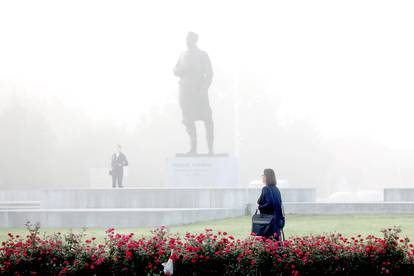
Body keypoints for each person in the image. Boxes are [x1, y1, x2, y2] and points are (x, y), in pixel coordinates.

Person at [173, 31, 214, 154]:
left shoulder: (202, 55)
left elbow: (210, 74)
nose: (186, 41)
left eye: (189, 39)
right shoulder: (182, 54)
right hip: (185, 92)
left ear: (194, 40)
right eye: (186, 39)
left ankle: (210, 149)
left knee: (208, 119)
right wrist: (182, 69)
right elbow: (175, 70)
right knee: (188, 120)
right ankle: (193, 148)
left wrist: (204, 88)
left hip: (199, 92)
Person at [257, 168, 285, 239]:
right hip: (277, 222)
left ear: (267, 177)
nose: (262, 177)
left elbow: (270, 203)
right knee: (276, 245)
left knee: (268, 246)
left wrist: (260, 207)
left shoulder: (265, 189)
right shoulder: (276, 189)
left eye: (263, 175)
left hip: (268, 223)